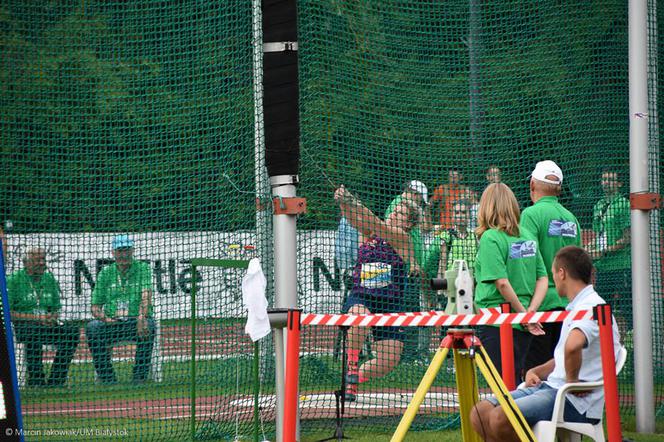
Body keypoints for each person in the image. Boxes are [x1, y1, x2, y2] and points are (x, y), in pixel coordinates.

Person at [470, 246, 622, 441]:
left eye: (553, 274)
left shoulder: (590, 306)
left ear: (562, 273)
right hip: (552, 388)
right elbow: (564, 355)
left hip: (572, 400)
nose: (553, 280)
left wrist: (572, 383)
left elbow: (572, 346)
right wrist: (536, 371)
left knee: (500, 418)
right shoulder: (577, 306)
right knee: (480, 413)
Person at [334, 185, 420, 401]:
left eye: (400, 214)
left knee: (387, 362)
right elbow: (357, 222)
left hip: (390, 305)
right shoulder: (369, 234)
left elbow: (375, 224)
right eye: (394, 210)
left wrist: (351, 199)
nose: (393, 214)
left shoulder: (403, 239)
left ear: (408, 224)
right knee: (360, 316)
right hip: (362, 296)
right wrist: (344, 203)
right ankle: (352, 364)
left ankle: (353, 380)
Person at [474, 183, 548, 383]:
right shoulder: (527, 236)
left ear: (486, 207)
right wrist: (529, 312)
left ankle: (508, 415)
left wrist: (524, 315)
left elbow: (502, 283)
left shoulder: (490, 238)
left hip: (496, 320)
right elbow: (543, 278)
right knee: (515, 381)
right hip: (523, 322)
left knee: (501, 386)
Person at [520, 161, 581, 372]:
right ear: (559, 189)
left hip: (540, 305)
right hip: (569, 305)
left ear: (533, 186)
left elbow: (526, 260)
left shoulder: (530, 215)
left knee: (534, 372)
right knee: (559, 370)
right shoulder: (571, 219)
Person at [85, 235, 155, 384]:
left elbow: (146, 295)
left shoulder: (143, 269)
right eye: (120, 251)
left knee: (150, 325)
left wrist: (141, 317)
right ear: (113, 253)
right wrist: (105, 318)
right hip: (112, 323)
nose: (124, 254)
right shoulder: (105, 273)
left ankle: (139, 378)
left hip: (135, 322)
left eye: (127, 250)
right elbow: (95, 306)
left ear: (133, 251)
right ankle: (107, 378)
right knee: (92, 328)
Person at [7, 248, 80, 387]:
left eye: (43, 260)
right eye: (37, 260)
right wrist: (37, 318)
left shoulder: (49, 278)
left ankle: (56, 380)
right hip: (24, 326)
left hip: (46, 325)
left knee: (72, 332)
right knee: (32, 332)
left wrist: (52, 317)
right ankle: (36, 380)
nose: (42, 263)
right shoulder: (13, 280)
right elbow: (9, 313)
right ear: (26, 263)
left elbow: (56, 307)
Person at [586, 169, 631, 331]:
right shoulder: (599, 205)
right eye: (604, 179)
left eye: (610, 180)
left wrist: (604, 251)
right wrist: (589, 248)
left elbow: (628, 238)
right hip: (603, 266)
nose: (606, 182)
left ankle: (632, 343)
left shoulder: (624, 204)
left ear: (619, 184)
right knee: (601, 309)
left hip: (622, 265)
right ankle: (603, 341)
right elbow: (599, 235)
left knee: (627, 309)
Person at [422, 199, 478, 311]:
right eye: (457, 213)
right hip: (452, 283)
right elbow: (442, 262)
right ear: (452, 216)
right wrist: (441, 287)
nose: (460, 216)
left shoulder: (475, 236)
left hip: (471, 283)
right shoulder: (447, 236)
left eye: (463, 212)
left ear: (469, 215)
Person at [470, 166, 502, 230]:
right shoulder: (482, 190)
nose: (496, 176)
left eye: (498, 174)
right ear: (488, 177)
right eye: (493, 174)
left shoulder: (504, 190)